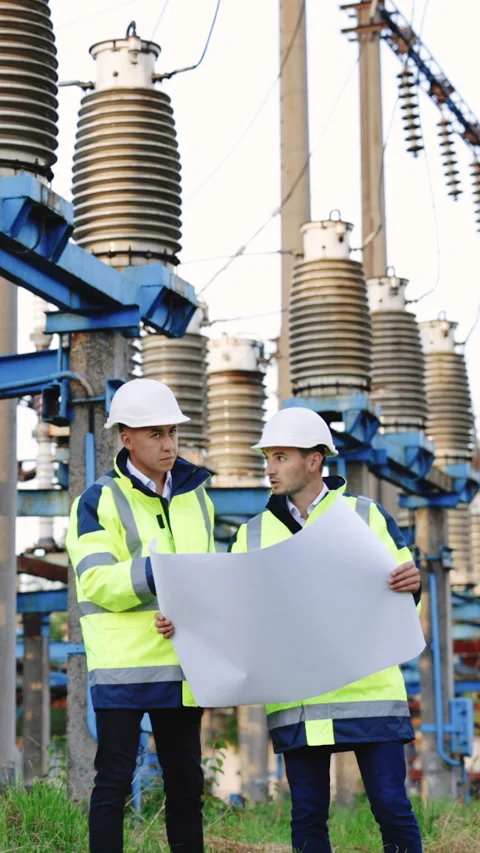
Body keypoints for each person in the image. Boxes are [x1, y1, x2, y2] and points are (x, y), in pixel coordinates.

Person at [230, 406, 423, 853]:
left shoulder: (367, 516)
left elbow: (402, 592)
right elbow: (236, 612)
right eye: (268, 458)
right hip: (298, 701)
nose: (269, 468)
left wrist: (411, 585)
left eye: (281, 457)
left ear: (314, 460)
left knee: (391, 806)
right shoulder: (250, 536)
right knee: (308, 815)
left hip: (369, 692)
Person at [66, 378, 215, 853]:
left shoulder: (197, 497)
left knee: (187, 785)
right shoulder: (98, 501)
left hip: (183, 664)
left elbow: (208, 576)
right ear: (126, 437)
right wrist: (158, 571)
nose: (168, 443)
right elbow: (95, 580)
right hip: (124, 666)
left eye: (172, 432)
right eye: (156, 434)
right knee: (113, 782)